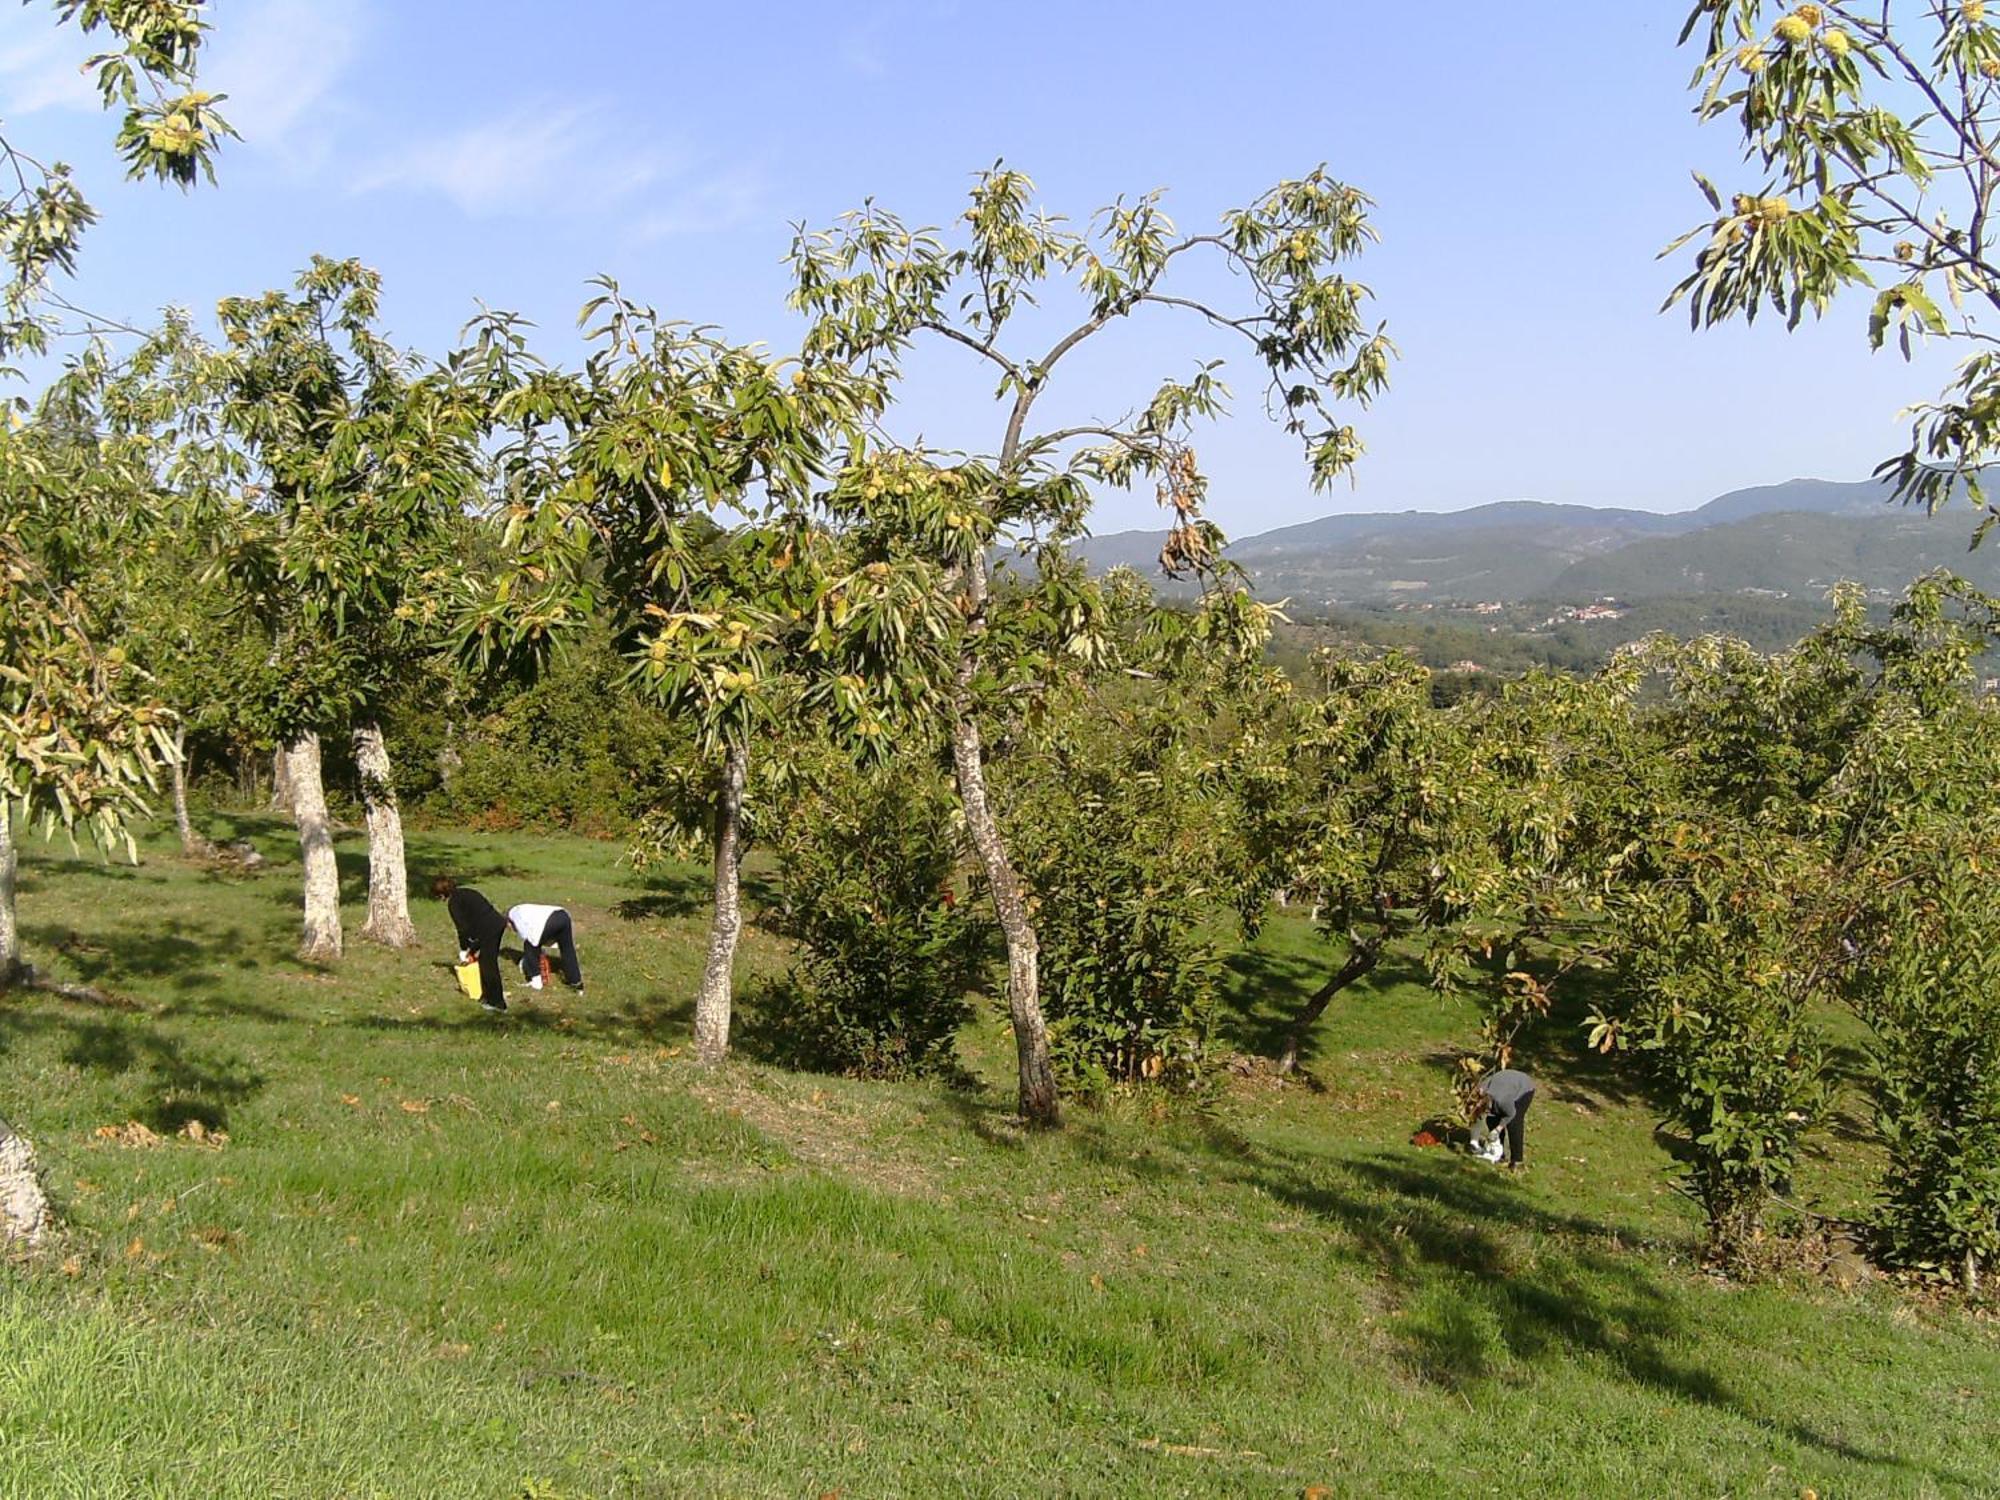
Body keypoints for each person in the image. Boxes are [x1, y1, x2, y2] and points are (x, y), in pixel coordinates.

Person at [432, 876, 509, 1013]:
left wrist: (464, 948)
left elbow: (463, 929)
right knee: (485, 961)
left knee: (488, 964)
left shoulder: (454, 904)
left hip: (488, 929)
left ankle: (498, 1003)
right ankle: (487, 996)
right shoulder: (466, 892)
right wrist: (472, 949)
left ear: (442, 894)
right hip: (497, 923)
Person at [507, 900, 583, 993]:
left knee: (529, 945)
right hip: (563, 915)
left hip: (551, 920)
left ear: (508, 920)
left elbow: (526, 935)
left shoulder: (513, 913)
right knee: (567, 949)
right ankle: (576, 984)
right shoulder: (524, 908)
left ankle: (536, 981)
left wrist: (533, 954)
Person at [1476, 1068, 1536, 1168]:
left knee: (1514, 1123)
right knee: (1491, 1119)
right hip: (1506, 1082)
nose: (1486, 1112)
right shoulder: (1481, 1090)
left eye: (1487, 1110)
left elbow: (1511, 1114)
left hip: (1524, 1088)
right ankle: (1499, 1153)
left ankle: (1517, 1160)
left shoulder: (1501, 1101)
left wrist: (1498, 1128)